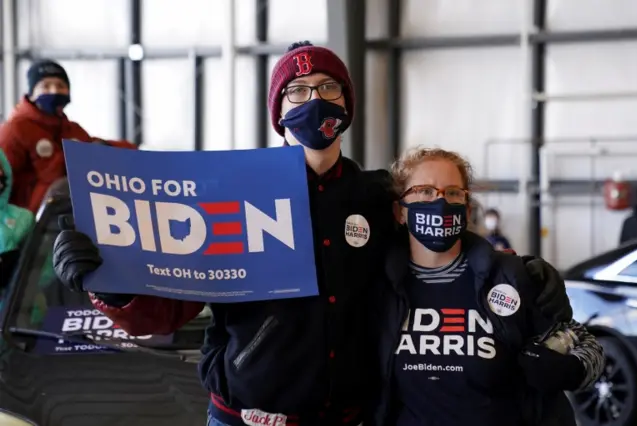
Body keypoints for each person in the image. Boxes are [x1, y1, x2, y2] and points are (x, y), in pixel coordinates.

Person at [51, 42, 572, 426]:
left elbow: (434, 250)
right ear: (278, 111)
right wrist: (111, 284)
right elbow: (167, 309)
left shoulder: (375, 197)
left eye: (327, 87)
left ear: (345, 103)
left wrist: (518, 272)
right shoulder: (228, 191)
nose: (313, 98)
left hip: (349, 418)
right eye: (297, 90)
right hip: (245, 418)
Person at [372, 147, 605, 426]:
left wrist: (572, 370)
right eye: (425, 191)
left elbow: (587, 345)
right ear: (399, 211)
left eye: (453, 193)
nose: (440, 201)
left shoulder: (509, 278)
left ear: (467, 209)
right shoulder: (379, 287)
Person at [0, 59, 135, 214]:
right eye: (46, 86)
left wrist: (109, 148)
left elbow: (102, 146)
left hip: (71, 215)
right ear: (31, 93)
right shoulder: (15, 130)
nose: (54, 91)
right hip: (28, 224)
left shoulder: (71, 130)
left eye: (60, 86)